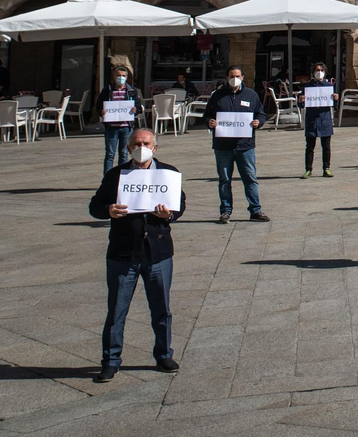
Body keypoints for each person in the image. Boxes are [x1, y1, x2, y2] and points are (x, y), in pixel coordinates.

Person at [87, 126, 184, 382]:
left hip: (158, 252)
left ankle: (164, 354)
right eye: (136, 144)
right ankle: (110, 360)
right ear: (129, 148)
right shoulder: (116, 175)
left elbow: (180, 204)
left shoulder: (168, 173)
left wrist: (169, 214)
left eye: (146, 143)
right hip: (123, 253)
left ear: (155, 147)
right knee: (117, 310)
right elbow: (94, 206)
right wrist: (108, 210)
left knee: (161, 309)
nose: (141, 148)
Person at [206, 66, 267, 223]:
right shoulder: (218, 96)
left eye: (238, 75)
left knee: (250, 178)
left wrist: (258, 122)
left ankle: (255, 210)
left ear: (243, 77)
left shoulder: (251, 95)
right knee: (224, 180)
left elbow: (261, 114)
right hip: (222, 146)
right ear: (227, 78)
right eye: (232, 76)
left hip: (245, 146)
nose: (235, 78)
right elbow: (207, 115)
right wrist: (210, 122)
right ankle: (225, 211)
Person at [97, 66, 141, 175]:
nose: (121, 78)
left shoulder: (131, 90)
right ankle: (107, 178)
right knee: (110, 154)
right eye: (118, 75)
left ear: (127, 77)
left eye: (123, 76)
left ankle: (121, 178)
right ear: (114, 76)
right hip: (111, 127)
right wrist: (101, 112)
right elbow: (98, 105)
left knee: (124, 154)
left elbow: (139, 106)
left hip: (126, 127)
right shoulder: (107, 90)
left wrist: (135, 110)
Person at [297, 61, 337, 179]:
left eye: (321, 70)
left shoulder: (328, 86)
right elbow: (301, 105)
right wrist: (301, 100)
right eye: (317, 70)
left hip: (325, 120)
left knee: (326, 146)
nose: (319, 72)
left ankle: (326, 168)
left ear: (325, 73)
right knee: (309, 147)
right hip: (312, 120)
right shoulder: (307, 87)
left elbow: (333, 104)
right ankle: (308, 169)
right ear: (313, 72)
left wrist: (336, 99)